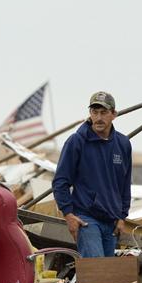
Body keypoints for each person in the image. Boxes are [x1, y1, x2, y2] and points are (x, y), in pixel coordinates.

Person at [53, 92, 132, 258]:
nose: (98, 118)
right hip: (86, 220)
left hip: (111, 222)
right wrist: (69, 215)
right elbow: (60, 181)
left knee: (107, 277)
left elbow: (125, 184)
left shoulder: (123, 144)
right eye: (94, 112)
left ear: (114, 114)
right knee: (96, 273)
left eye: (103, 113)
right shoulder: (76, 141)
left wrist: (122, 216)